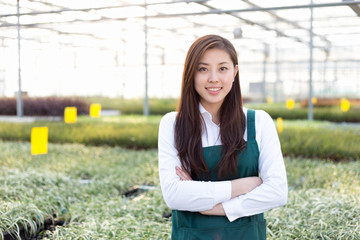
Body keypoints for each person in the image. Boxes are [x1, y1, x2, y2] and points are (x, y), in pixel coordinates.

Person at [158, 34, 287, 240]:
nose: (213, 78)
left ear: (235, 73)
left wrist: (217, 207)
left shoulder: (259, 122)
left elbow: (277, 192)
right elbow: (174, 196)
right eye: (203, 69)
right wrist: (240, 186)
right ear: (191, 74)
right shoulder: (172, 124)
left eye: (222, 68)